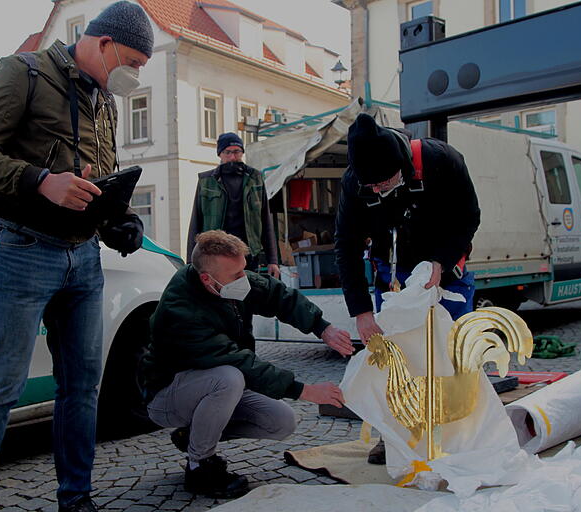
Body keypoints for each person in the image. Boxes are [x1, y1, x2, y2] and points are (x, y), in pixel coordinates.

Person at [0, 3, 153, 511]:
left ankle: (75, 500)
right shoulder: (24, 73)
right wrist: (40, 180)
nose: (133, 76)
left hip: (82, 257)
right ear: (102, 44)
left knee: (83, 387)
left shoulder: (106, 102)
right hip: (18, 248)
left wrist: (116, 219)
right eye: (131, 62)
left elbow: (92, 181)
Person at [143, 230, 354, 498]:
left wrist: (322, 328)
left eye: (245, 270)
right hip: (167, 395)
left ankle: (193, 436)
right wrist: (306, 391)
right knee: (229, 378)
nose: (245, 279)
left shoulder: (228, 280)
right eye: (236, 276)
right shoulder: (181, 311)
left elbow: (278, 295)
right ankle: (199, 467)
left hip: (214, 384)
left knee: (281, 421)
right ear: (207, 279)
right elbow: (238, 362)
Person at [334, 113, 480, 464]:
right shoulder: (355, 183)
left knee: (452, 350)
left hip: (444, 268)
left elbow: (469, 217)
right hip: (394, 272)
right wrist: (361, 311)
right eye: (374, 188)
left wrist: (441, 261)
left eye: (385, 183)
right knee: (394, 357)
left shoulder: (441, 160)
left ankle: (459, 431)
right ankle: (396, 433)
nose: (379, 191)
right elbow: (346, 245)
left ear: (402, 165)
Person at [187, 132, 281, 278]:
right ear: (220, 154)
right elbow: (196, 222)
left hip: (249, 254)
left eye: (236, 152)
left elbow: (265, 220)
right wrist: (190, 263)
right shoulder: (206, 181)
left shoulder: (255, 179)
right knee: (219, 294)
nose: (232, 157)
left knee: (248, 295)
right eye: (227, 152)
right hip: (215, 254)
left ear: (242, 152)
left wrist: (273, 260)